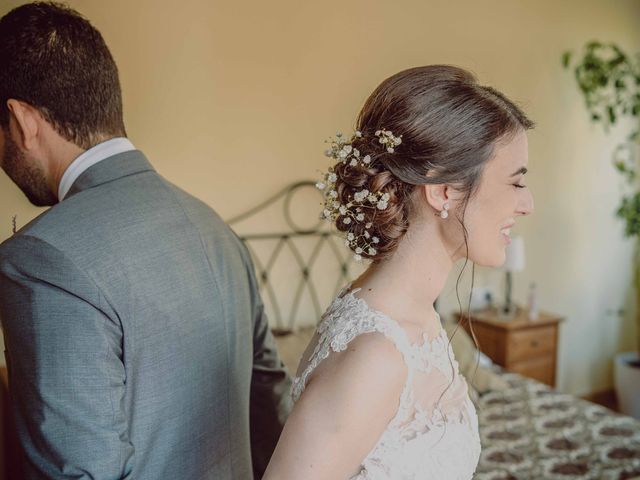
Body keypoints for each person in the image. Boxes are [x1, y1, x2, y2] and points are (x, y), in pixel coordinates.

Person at [0, 2, 291, 479]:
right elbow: (272, 411)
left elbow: (78, 471)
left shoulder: (39, 261)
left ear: (23, 121)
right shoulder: (214, 229)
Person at [263, 65, 534, 479]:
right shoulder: (375, 355)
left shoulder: (420, 316)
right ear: (444, 190)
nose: (527, 204)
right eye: (516, 183)